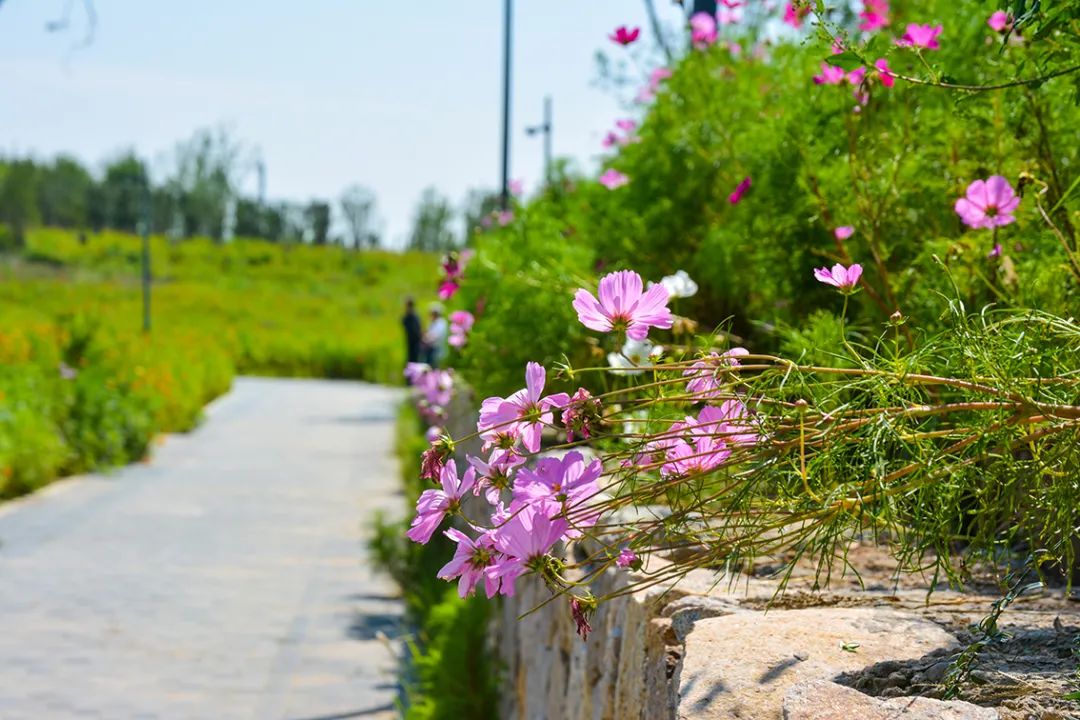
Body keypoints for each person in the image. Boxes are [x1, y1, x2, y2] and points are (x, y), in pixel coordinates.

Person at [424, 303, 448, 368]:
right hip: (430, 348)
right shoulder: (432, 322)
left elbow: (436, 336)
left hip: (437, 348)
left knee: (434, 367)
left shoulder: (441, 323)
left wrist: (427, 338)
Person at [402, 297, 422, 367]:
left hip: (415, 341)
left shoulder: (413, 315)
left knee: (414, 359)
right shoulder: (411, 315)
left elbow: (416, 329)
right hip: (410, 340)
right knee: (411, 358)